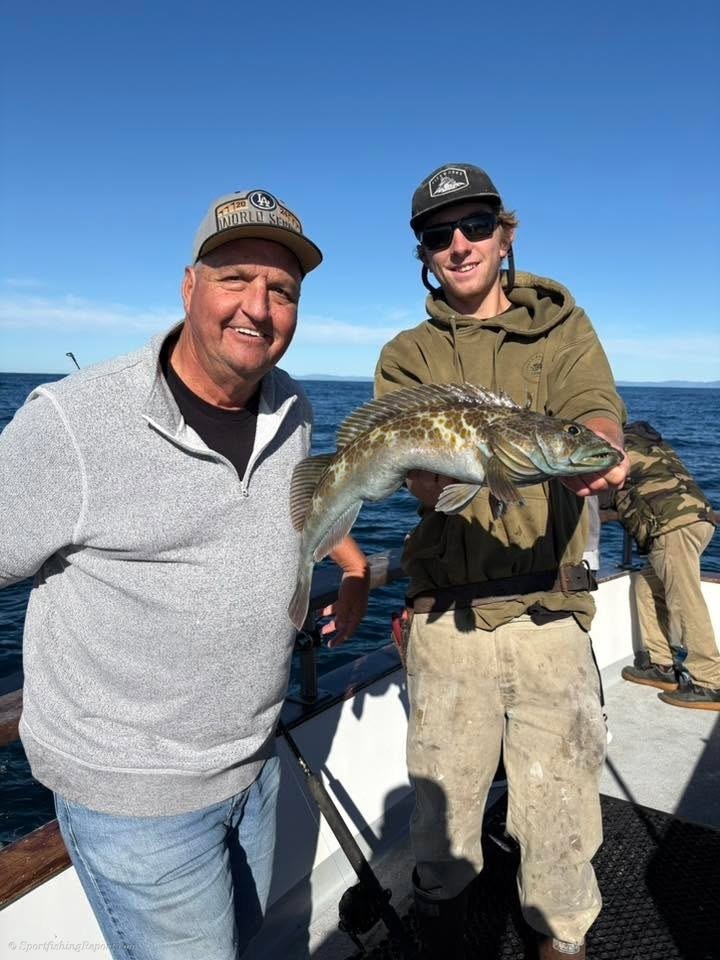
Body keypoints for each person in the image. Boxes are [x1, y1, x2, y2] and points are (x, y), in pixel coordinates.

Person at [0, 188, 370, 960]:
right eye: (235, 278)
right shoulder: (72, 423)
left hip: (254, 763)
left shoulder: (293, 409)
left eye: (282, 290)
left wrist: (355, 564)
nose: (258, 307)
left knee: (246, 937)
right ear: (189, 286)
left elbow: (295, 509)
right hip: (137, 800)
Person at [374, 163, 629, 960]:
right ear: (424, 252)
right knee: (443, 823)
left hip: (552, 613)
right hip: (447, 619)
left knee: (561, 823)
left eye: (476, 225)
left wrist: (597, 448)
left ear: (505, 233)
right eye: (438, 235)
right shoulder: (407, 353)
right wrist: (429, 476)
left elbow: (594, 411)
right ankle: (443, 930)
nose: (459, 244)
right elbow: (417, 478)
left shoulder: (564, 328)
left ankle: (562, 942)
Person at [611, 420, 719, 708]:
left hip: (672, 526)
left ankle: (709, 681)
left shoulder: (614, 446)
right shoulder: (651, 442)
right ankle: (661, 666)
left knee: (685, 599)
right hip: (699, 518)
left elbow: (602, 486)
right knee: (645, 585)